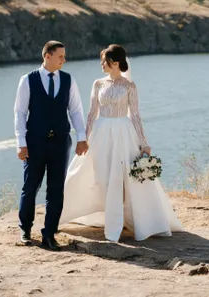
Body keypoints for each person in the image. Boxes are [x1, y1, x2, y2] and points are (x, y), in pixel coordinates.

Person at [60, 44, 183, 242]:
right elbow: (92, 113)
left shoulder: (129, 86)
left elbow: (135, 115)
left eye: (104, 61)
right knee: (101, 177)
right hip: (100, 134)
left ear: (115, 63)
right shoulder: (98, 84)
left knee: (122, 180)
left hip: (123, 134)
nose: (101, 64)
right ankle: (100, 214)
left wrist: (144, 143)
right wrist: (83, 138)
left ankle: (118, 224)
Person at [14, 40, 88, 250]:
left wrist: (81, 137)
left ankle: (49, 234)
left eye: (64, 56)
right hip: (34, 143)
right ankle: (25, 229)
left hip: (60, 142)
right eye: (60, 56)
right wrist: (21, 143)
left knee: (56, 190)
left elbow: (75, 110)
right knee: (30, 187)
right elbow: (19, 113)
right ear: (47, 56)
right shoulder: (28, 80)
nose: (64, 60)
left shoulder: (68, 80)